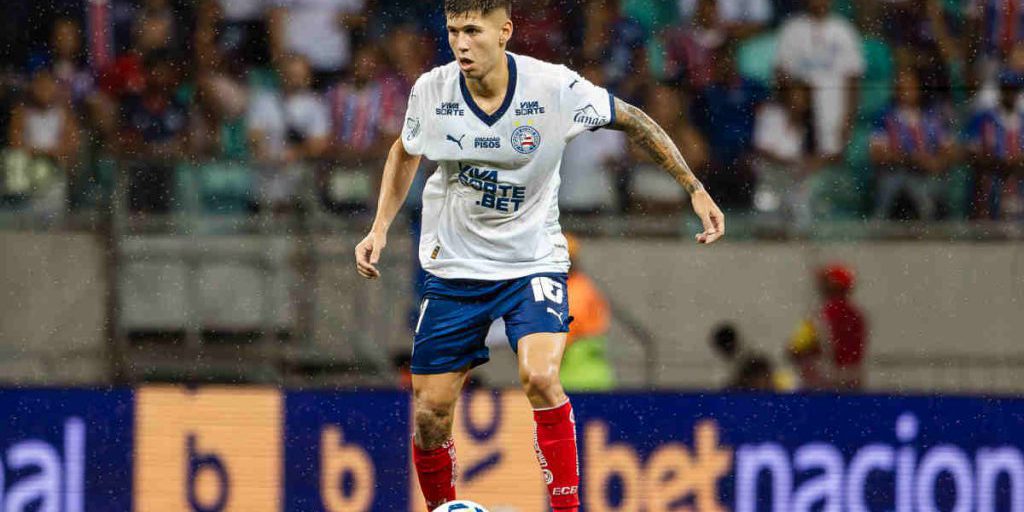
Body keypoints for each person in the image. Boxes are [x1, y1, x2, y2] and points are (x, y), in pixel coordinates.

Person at [353, 1, 725, 510]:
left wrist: (694, 187)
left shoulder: (554, 88)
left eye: (474, 31)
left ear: (504, 32)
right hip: (456, 267)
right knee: (428, 414)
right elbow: (405, 150)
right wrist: (378, 228)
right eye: (453, 31)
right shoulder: (432, 90)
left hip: (532, 261)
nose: (461, 43)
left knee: (542, 376)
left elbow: (633, 120)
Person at [870, 69, 959, 220]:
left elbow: (950, 151)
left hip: (928, 174)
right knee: (892, 185)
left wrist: (935, 162)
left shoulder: (934, 116)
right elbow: (876, 154)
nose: (904, 91)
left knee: (931, 191)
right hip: (897, 173)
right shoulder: (885, 115)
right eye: (900, 86)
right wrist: (908, 158)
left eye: (909, 86)